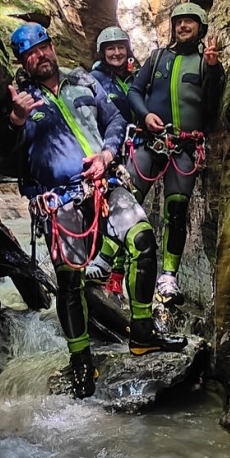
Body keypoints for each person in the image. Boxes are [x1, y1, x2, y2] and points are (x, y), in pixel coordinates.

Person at [0, 22, 185, 400]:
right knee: (69, 281)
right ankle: (81, 358)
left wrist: (107, 153)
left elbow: (115, 119)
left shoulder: (84, 80)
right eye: (30, 54)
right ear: (22, 60)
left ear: (52, 47)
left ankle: (143, 332)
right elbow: (5, 154)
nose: (40, 57)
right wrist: (16, 121)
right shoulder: (19, 101)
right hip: (59, 201)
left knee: (143, 239)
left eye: (43, 47)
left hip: (106, 186)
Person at [126, 3, 224, 305]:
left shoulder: (206, 62)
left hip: (184, 149)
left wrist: (212, 68)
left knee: (177, 212)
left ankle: (168, 277)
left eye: (189, 23)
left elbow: (211, 107)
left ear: (200, 28)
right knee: (126, 204)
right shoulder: (157, 58)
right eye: (179, 22)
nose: (183, 26)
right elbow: (134, 92)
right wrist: (144, 116)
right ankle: (111, 267)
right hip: (149, 142)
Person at [87, 26, 136, 295]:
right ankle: (102, 273)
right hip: (106, 156)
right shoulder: (94, 80)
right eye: (110, 48)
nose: (116, 53)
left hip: (133, 154)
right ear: (102, 52)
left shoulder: (134, 78)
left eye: (120, 47)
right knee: (106, 214)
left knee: (127, 214)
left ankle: (116, 278)